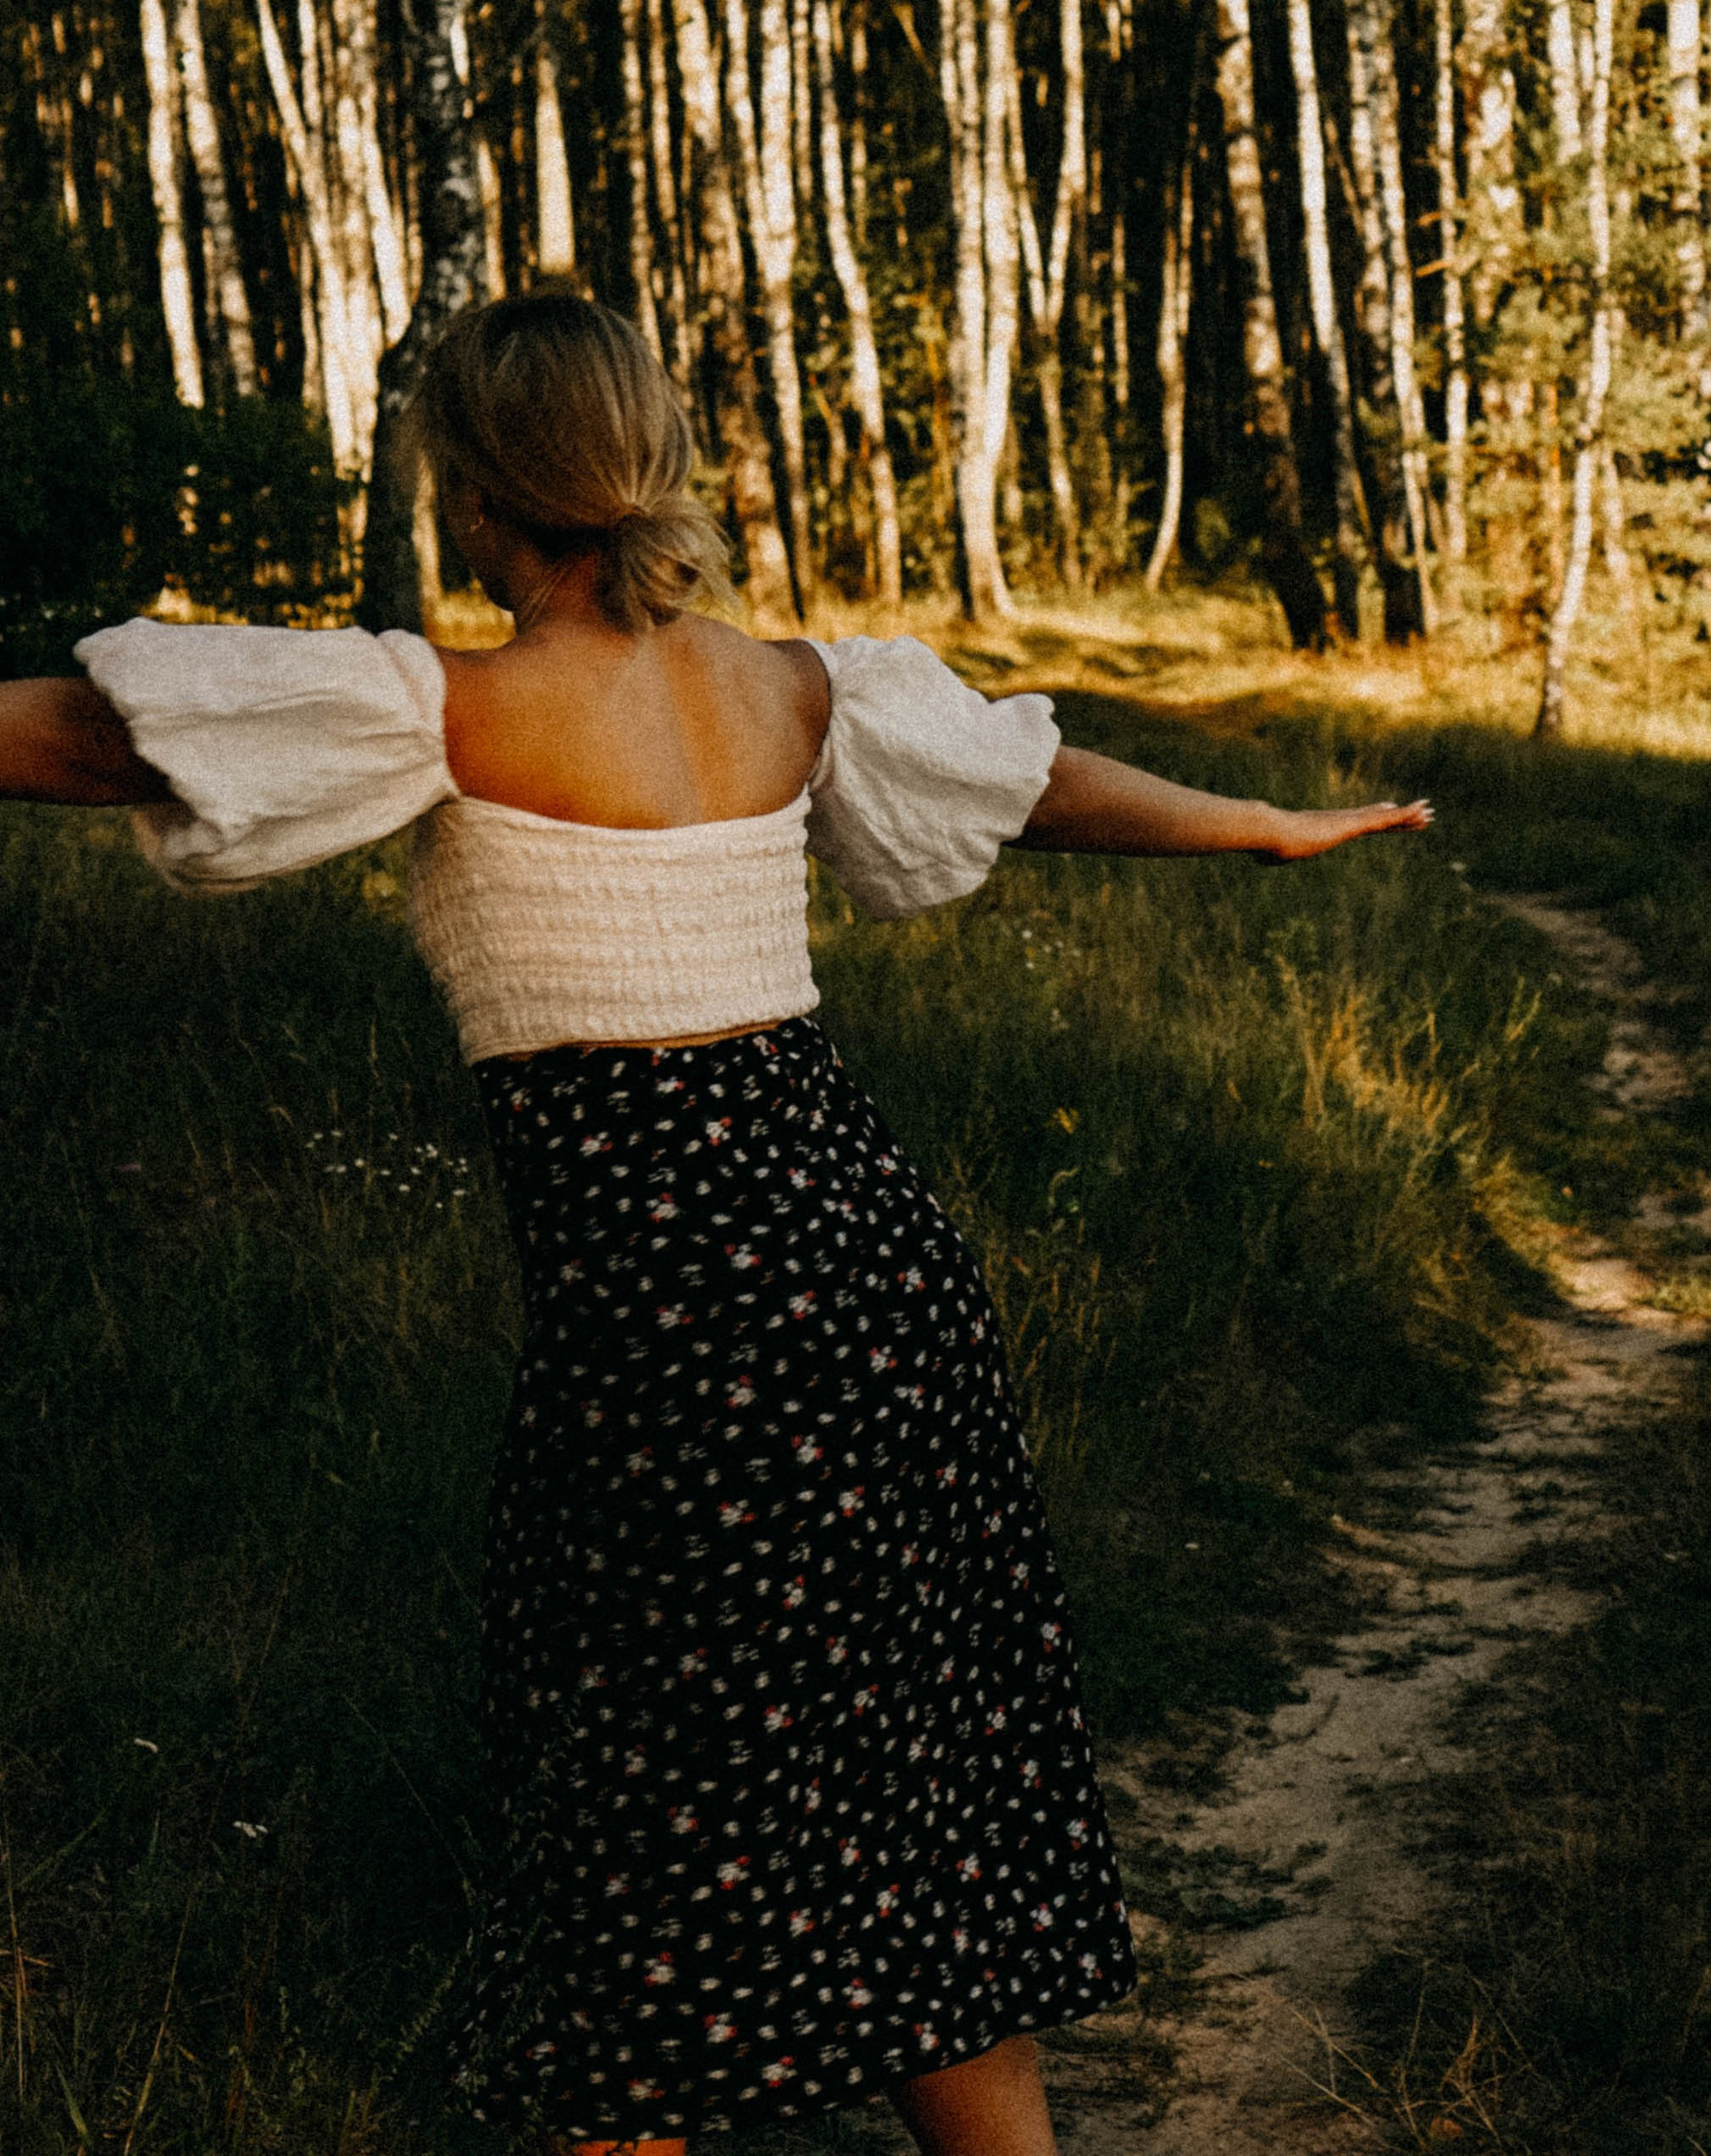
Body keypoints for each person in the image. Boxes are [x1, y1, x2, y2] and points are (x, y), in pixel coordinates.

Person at [0, 292, 1428, 2156]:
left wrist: (1252, 826)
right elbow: (1036, 777)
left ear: (474, 493)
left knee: (640, 1839)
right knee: (903, 1787)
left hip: (681, 1334)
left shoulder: (445, 706)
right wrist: (1261, 825)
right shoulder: (791, 688)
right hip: (880, 1281)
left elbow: (85, 739)